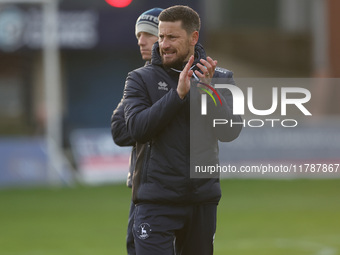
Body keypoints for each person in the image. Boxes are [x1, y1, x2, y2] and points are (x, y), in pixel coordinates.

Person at [122, 5, 242, 255]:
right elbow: (137, 129)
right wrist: (178, 95)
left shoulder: (220, 78)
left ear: (193, 38)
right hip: (155, 202)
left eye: (172, 37)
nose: (164, 44)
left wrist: (208, 92)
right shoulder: (139, 79)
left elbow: (230, 130)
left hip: (201, 200)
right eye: (162, 36)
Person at [111, 7, 163, 255]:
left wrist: (145, 121)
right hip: (142, 188)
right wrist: (157, 121)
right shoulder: (138, 79)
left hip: (178, 190)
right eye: (138, 35)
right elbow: (120, 131)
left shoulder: (191, 77)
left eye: (148, 34)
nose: (141, 41)